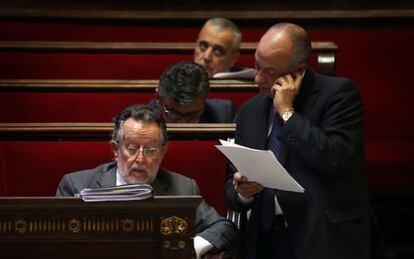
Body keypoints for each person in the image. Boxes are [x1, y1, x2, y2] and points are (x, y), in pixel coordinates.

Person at [224, 22, 383, 259]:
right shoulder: (250, 111)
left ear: (297, 72)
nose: (258, 78)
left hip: (324, 239)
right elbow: (230, 184)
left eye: (269, 72)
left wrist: (288, 114)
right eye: (257, 66)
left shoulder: (339, 95)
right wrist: (242, 192)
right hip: (266, 242)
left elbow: (336, 159)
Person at [56, 104, 240, 258]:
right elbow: (56, 242)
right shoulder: (77, 185)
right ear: (115, 149)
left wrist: (192, 248)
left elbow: (223, 228)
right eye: (132, 148)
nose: (140, 159)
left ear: (163, 152)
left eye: (151, 150)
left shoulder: (183, 187)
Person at [148, 61, 235, 123]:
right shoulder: (142, 122)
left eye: (192, 115)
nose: (182, 125)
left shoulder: (222, 115)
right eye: (173, 113)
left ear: (204, 102)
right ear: (158, 99)